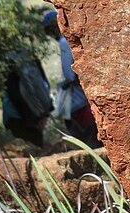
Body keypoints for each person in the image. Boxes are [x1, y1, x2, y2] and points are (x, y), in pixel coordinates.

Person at [43, 10, 102, 148]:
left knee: (88, 139)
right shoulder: (76, 40)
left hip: (79, 100)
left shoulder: (64, 43)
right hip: (86, 95)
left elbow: (69, 74)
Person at [2, 49, 53, 148]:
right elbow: (43, 86)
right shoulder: (31, 62)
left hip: (21, 119)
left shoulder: (11, 72)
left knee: (30, 148)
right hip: (29, 117)